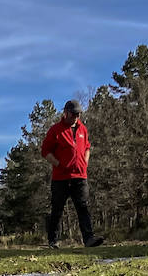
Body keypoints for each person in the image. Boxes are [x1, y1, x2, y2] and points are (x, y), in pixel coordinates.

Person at [40, 99, 105, 250]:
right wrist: (58, 164)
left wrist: (85, 162)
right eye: (73, 114)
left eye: (78, 114)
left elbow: (87, 147)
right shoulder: (55, 130)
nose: (76, 117)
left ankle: (88, 239)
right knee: (57, 209)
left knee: (83, 207)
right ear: (66, 113)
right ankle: (52, 241)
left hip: (80, 177)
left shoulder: (83, 129)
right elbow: (45, 151)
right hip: (61, 177)